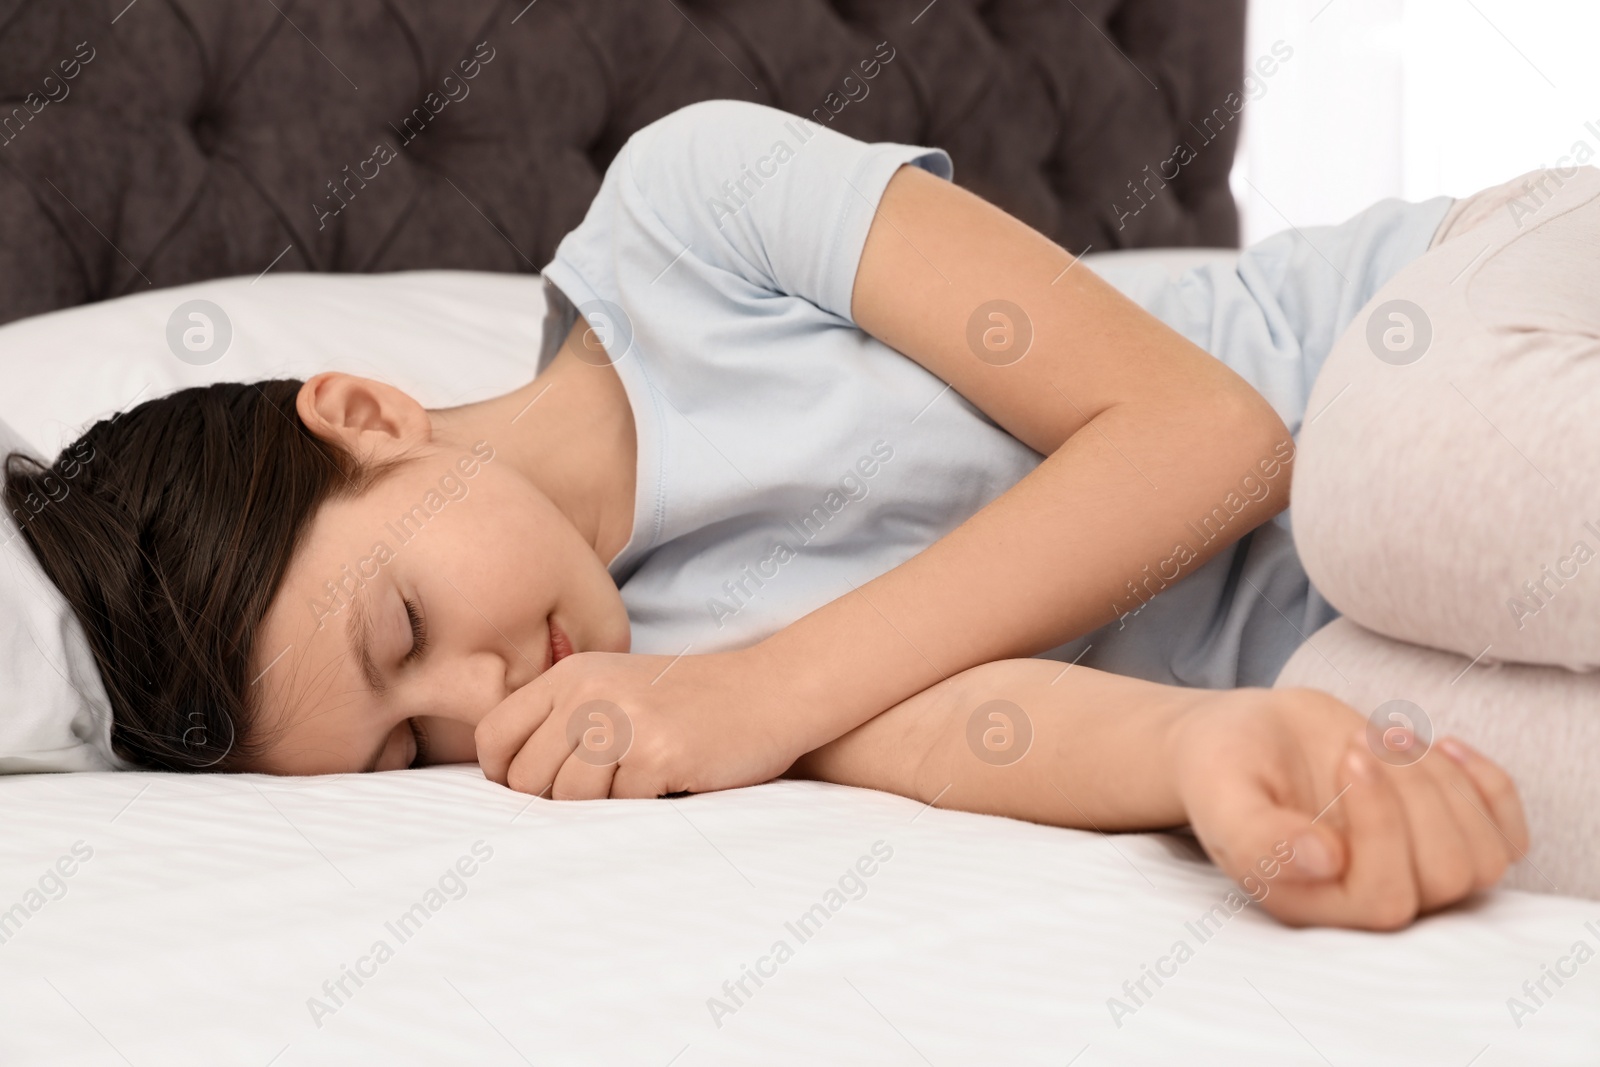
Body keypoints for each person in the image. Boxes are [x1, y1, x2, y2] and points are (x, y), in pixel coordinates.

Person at [2, 100, 1527, 930]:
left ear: (362, 415)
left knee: (1408, 502)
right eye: (408, 747)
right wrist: (1206, 752)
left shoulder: (690, 215)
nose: (478, 705)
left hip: (1439, 336)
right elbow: (968, 725)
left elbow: (1216, 437)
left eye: (403, 628)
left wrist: (753, 695)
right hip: (1365, 643)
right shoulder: (641, 704)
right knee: (1500, 817)